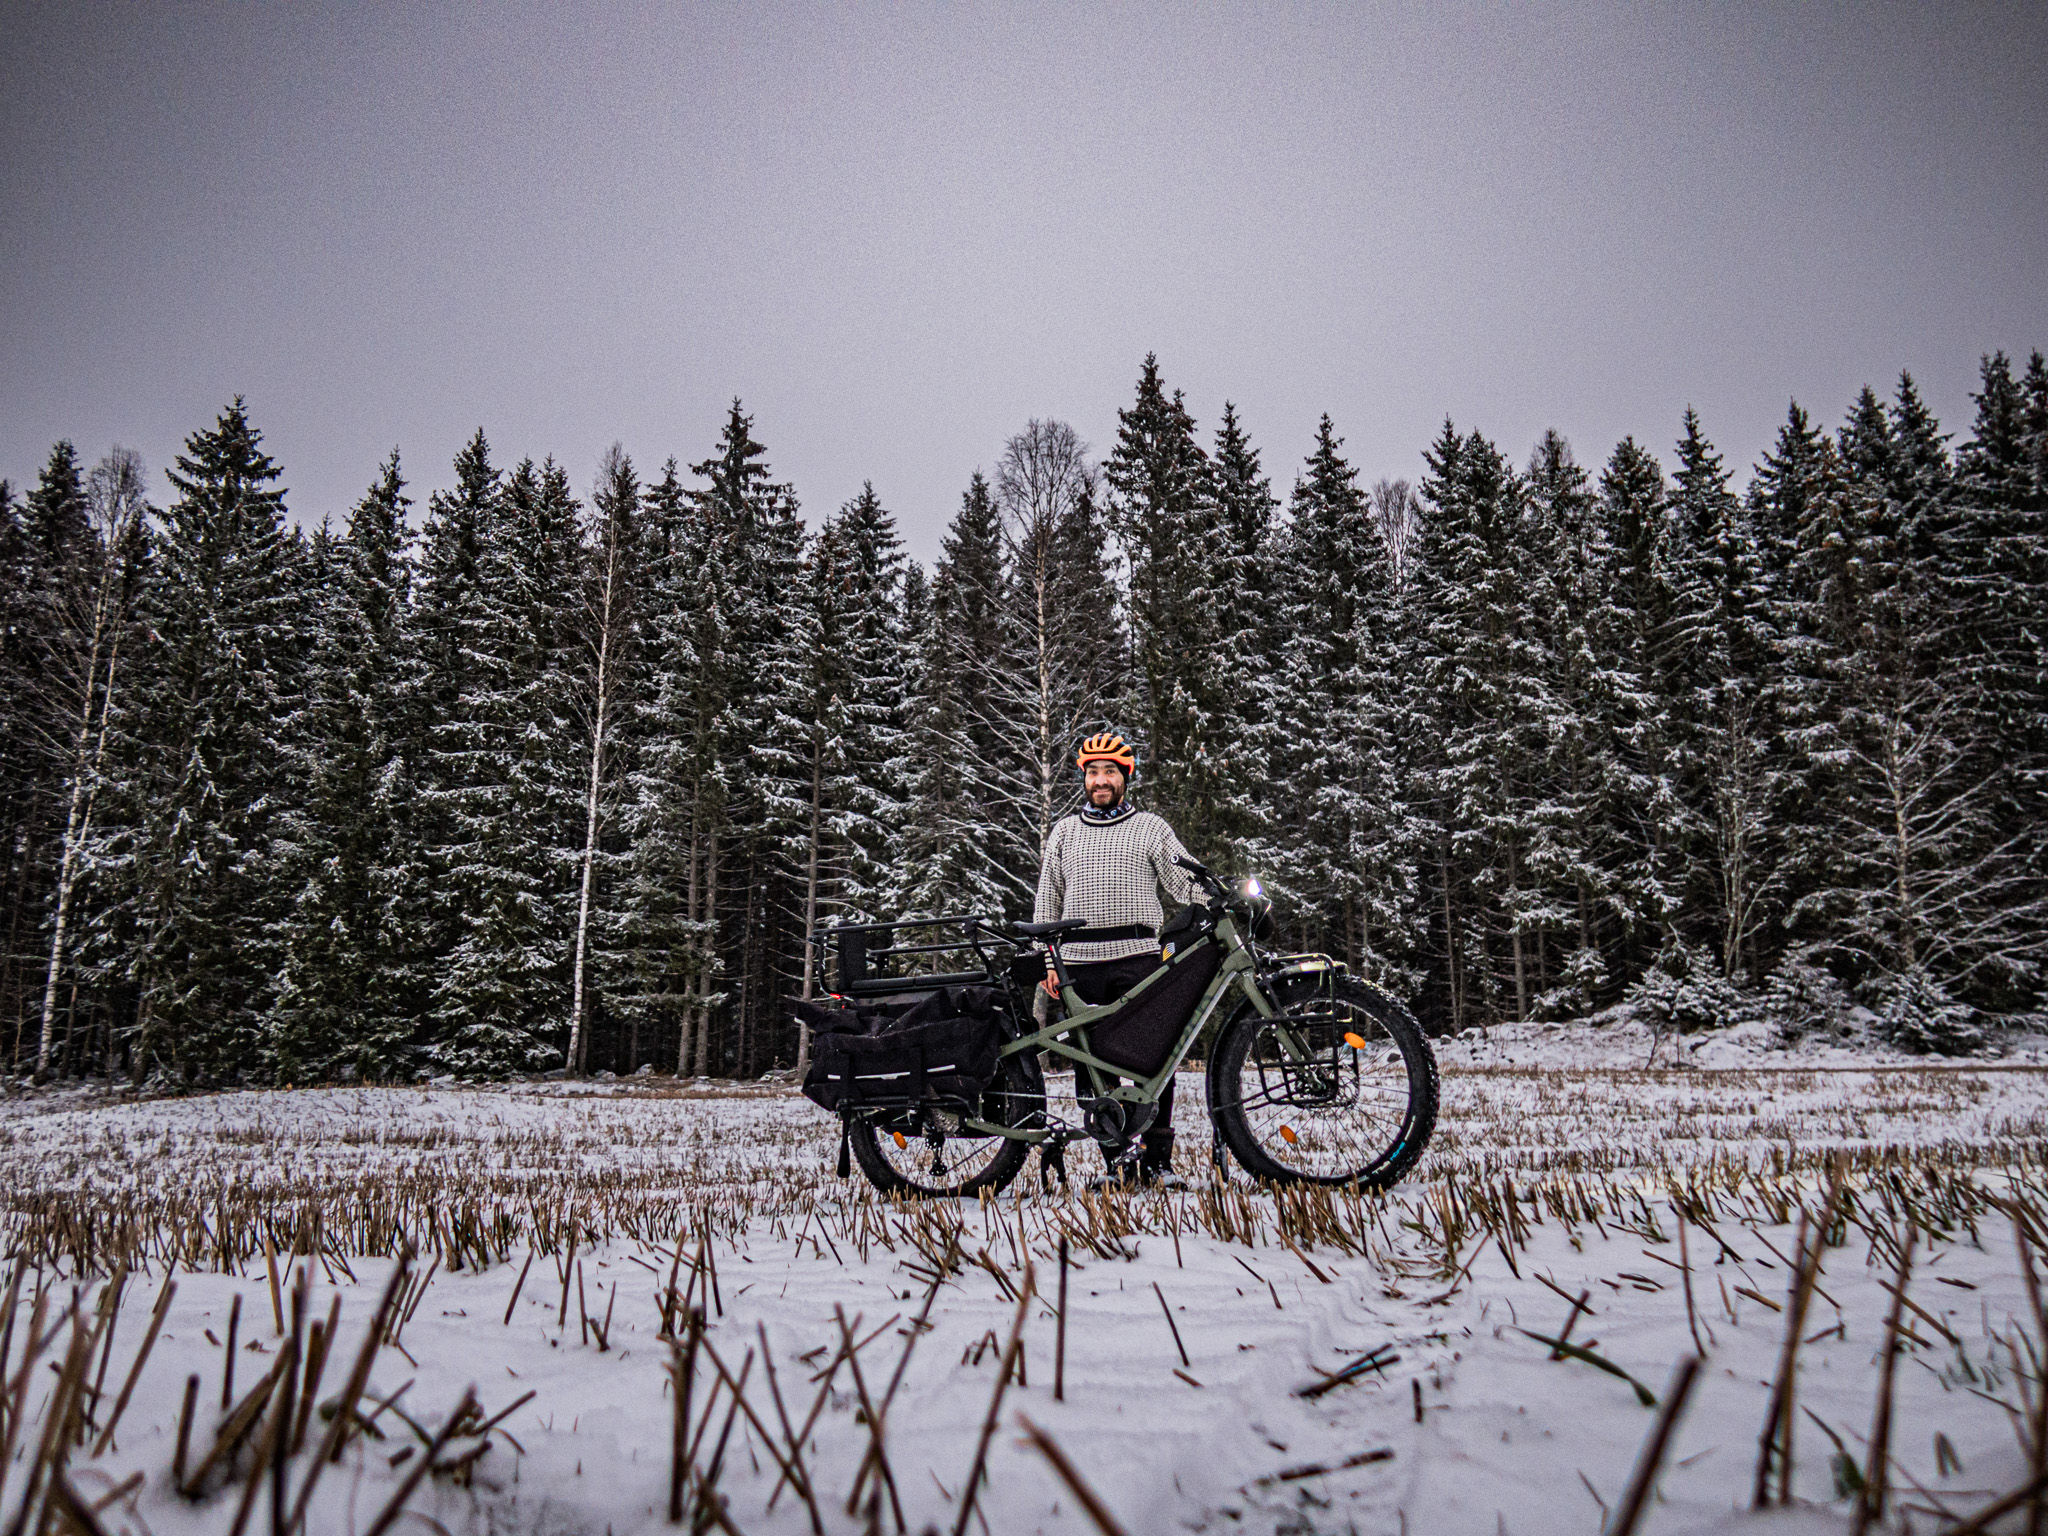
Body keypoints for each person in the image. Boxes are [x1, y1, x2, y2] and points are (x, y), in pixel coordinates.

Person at [1032, 732, 1202, 1183]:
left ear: (1126, 777)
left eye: (1110, 772)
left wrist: (1217, 896)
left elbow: (1183, 882)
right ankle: (1116, 1162)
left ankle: (1158, 1163)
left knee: (1157, 1060)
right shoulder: (1064, 832)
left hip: (1141, 959)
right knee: (1091, 1066)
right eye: (1093, 772)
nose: (1100, 780)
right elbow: (1047, 898)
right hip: (1079, 966)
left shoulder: (1150, 827)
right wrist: (1048, 962)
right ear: (1083, 779)